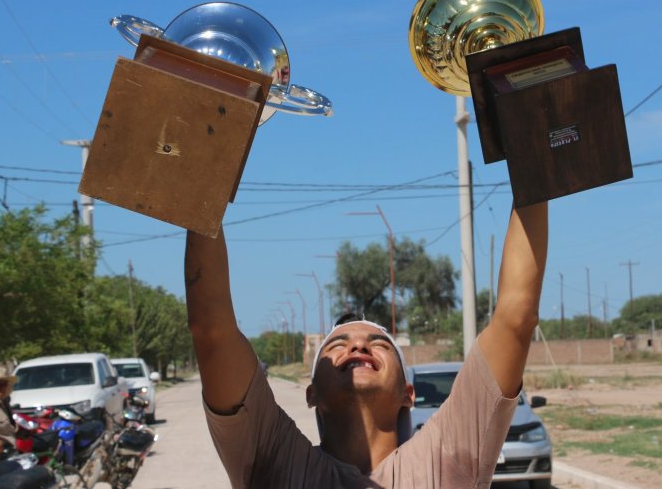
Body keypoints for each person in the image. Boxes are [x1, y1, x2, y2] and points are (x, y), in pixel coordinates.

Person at [186, 201, 547, 487]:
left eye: (379, 344)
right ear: (311, 394)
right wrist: (212, 166)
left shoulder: (446, 458)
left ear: (408, 393)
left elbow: (516, 318)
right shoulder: (278, 461)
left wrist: (531, 153)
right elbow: (211, 332)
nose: (358, 346)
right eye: (337, 346)